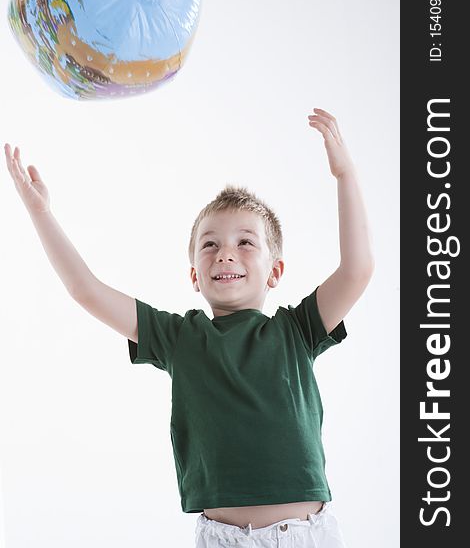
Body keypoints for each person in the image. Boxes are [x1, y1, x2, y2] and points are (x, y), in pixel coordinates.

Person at [4, 107, 374, 547]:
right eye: (210, 245)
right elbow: (85, 289)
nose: (225, 254)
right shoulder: (178, 338)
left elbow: (357, 269)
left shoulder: (296, 329)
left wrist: (345, 174)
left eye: (245, 243)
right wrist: (41, 213)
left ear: (275, 272)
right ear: (194, 276)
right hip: (221, 538)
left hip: (303, 535)